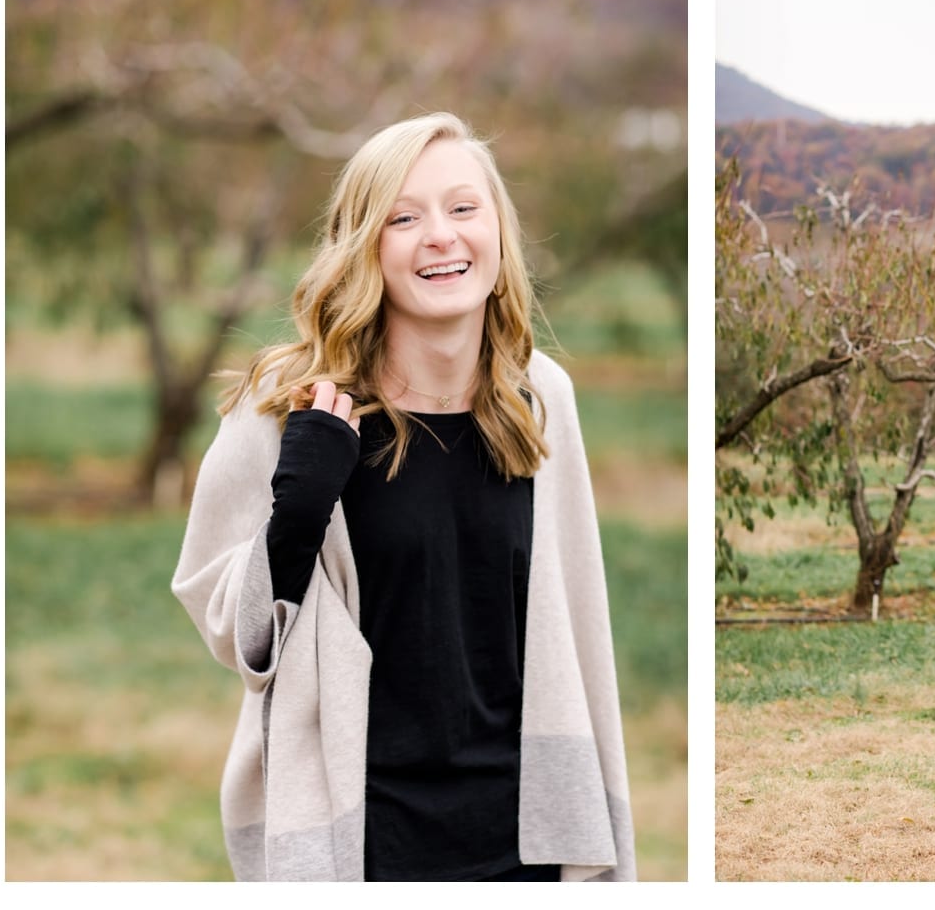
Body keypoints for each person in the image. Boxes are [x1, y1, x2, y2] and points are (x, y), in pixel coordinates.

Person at [172, 112, 634, 881]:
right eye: (404, 217)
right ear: (366, 245)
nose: (441, 237)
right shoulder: (289, 407)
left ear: (497, 230)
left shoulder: (542, 398)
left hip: (524, 843)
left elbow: (583, 634)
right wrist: (300, 507)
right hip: (359, 842)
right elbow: (230, 630)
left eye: (462, 208)